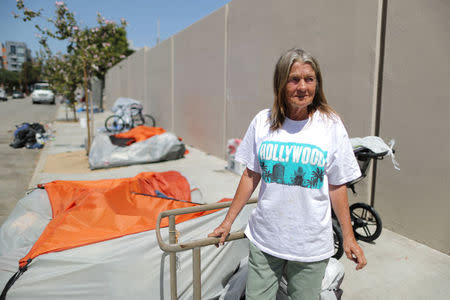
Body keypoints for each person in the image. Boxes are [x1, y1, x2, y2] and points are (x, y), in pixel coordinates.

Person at [208, 48, 367, 299]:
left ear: (317, 83)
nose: (303, 87)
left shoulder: (331, 125)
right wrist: (227, 222)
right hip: (265, 239)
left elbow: (337, 185)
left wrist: (348, 237)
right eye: (294, 79)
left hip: (310, 245)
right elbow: (251, 175)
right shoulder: (263, 121)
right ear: (281, 83)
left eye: (309, 79)